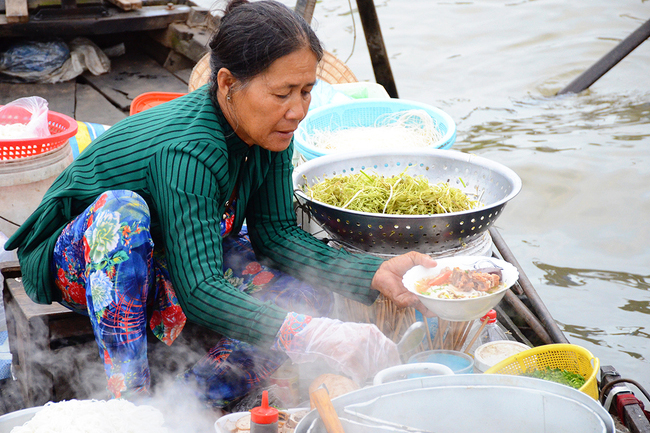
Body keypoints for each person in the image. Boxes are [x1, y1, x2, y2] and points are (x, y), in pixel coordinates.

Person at [4, 0, 436, 406]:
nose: (298, 109)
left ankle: (181, 405)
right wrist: (308, 336)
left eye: (307, 91)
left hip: (172, 251)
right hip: (91, 261)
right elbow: (200, 289)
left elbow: (278, 235)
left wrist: (374, 271)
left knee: (306, 296)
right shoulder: (191, 149)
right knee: (123, 214)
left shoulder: (270, 130)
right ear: (228, 83)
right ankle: (130, 403)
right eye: (284, 92)